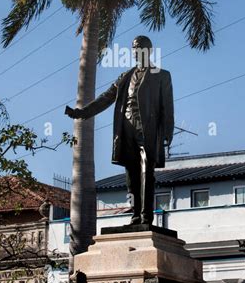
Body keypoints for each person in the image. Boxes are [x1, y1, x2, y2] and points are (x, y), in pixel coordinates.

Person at [65, 36, 174, 226]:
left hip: (147, 130)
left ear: (148, 50)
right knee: (131, 175)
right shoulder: (125, 77)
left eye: (139, 47)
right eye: (133, 48)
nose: (135, 51)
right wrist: (82, 113)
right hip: (127, 129)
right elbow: (106, 98)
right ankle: (135, 216)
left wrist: (167, 131)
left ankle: (146, 217)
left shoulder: (162, 75)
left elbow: (168, 106)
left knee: (146, 172)